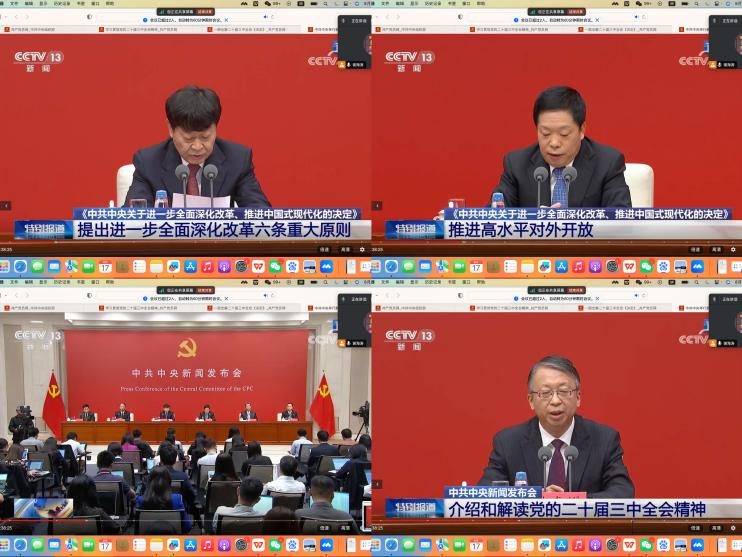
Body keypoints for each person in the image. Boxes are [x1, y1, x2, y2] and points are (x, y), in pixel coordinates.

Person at [478, 355, 635, 498]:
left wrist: (571, 502)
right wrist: (538, 498)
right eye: (546, 393)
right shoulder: (508, 442)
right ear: (531, 400)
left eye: (564, 391)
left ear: (578, 397)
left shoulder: (604, 439)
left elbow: (623, 492)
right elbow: (485, 494)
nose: (555, 401)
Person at [124, 85, 271, 208]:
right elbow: (134, 217)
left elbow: (261, 213)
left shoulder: (238, 159)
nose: (197, 146)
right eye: (188, 138)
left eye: (205, 137)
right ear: (171, 129)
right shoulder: (148, 163)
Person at [491, 86, 632, 209]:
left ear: (582, 130)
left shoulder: (607, 163)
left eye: (564, 134)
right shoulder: (517, 165)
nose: (554, 143)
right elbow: (493, 216)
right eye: (545, 133)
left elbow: (621, 219)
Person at [137, 465, 191, 532]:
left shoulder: (141, 500)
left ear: (149, 481)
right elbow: (187, 526)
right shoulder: (177, 499)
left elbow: (138, 528)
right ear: (169, 481)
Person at [158, 444, 196, 511]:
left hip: (157, 511)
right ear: (175, 461)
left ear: (160, 460)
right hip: (179, 510)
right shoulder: (183, 476)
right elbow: (191, 495)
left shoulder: (152, 476)